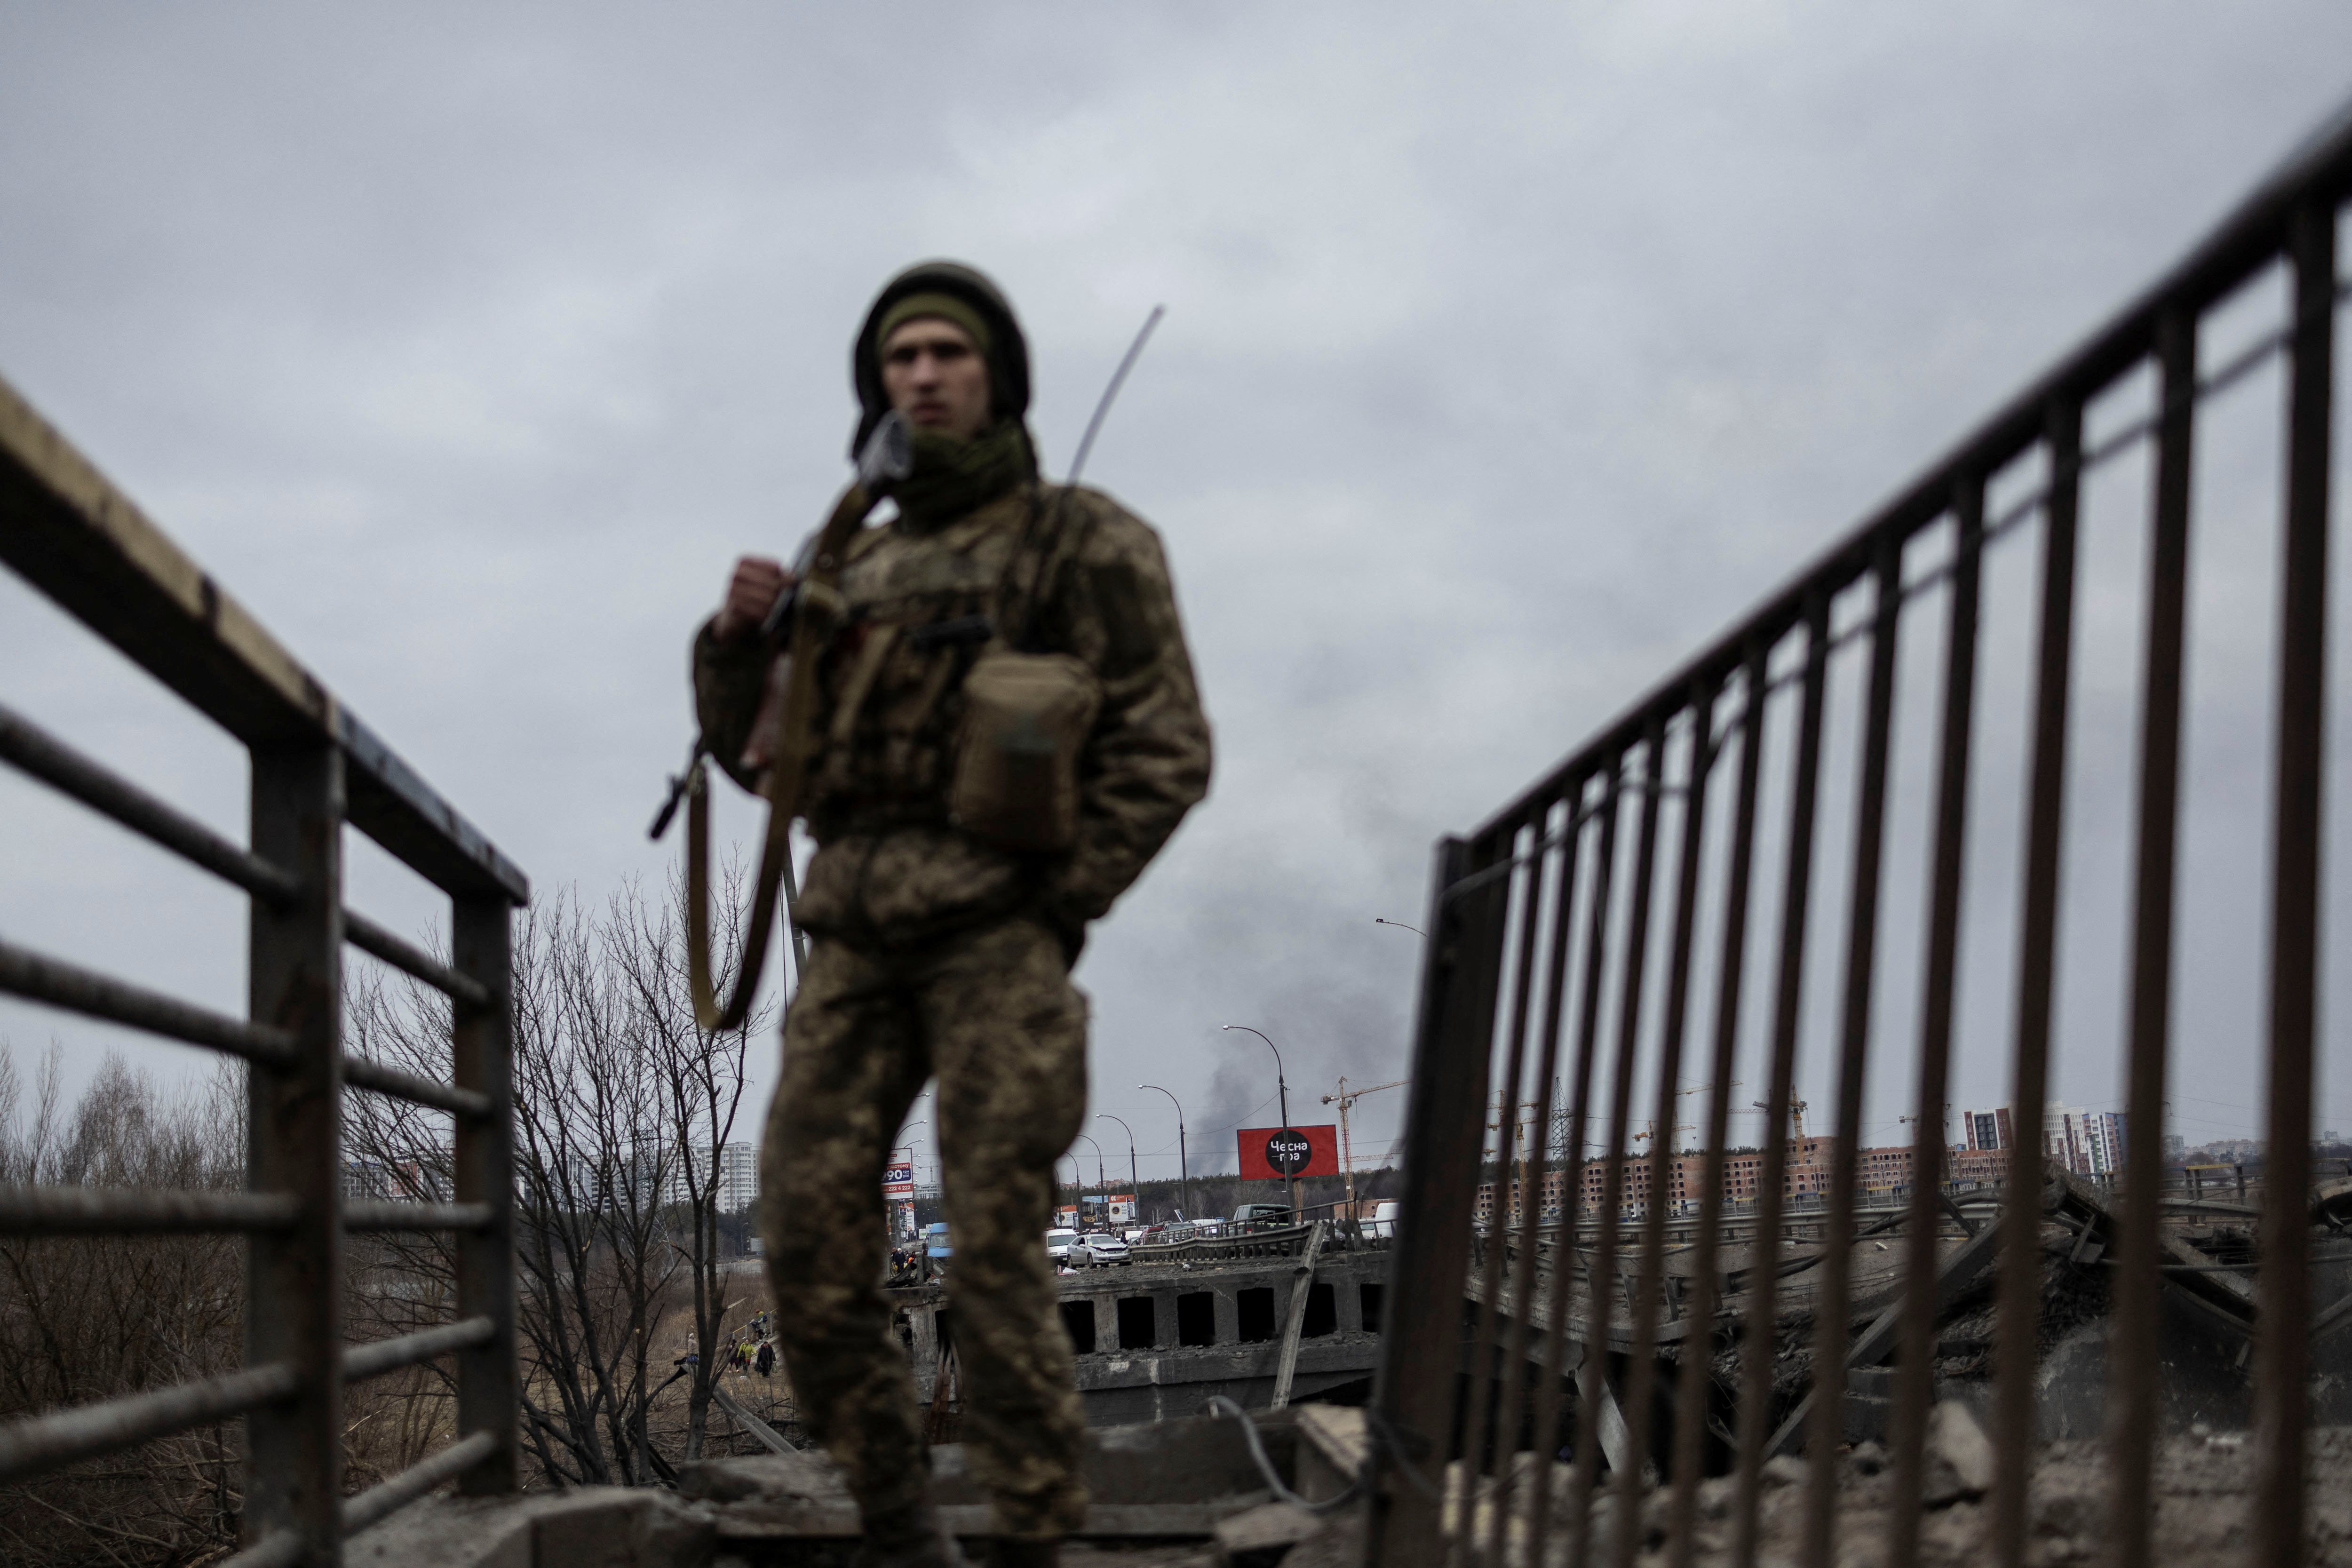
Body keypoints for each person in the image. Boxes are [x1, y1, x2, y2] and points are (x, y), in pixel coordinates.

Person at [692, 261, 1212, 1568]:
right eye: (897, 358)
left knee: (994, 1251)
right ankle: (897, 1529)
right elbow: (766, 764)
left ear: (996, 376)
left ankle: (1039, 1541)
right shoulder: (846, 563)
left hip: (996, 941)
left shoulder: (1078, 540)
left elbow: (1166, 745)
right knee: (806, 1245)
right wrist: (732, 647)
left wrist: (1060, 894)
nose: (918, 375)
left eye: (945, 353)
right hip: (852, 942)